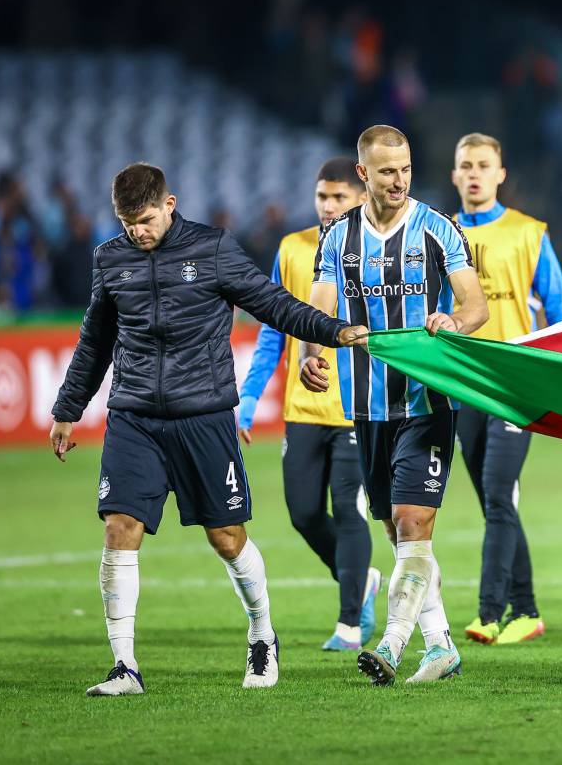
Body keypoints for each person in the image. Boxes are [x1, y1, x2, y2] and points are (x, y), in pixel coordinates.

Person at [49, 163, 365, 697]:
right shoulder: (111, 258)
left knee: (227, 538)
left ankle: (263, 634)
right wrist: (67, 407)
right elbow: (95, 339)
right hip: (134, 416)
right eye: (127, 223)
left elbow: (275, 305)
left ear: (169, 205)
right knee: (118, 528)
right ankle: (124, 666)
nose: (137, 232)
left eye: (145, 220)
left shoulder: (214, 249)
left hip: (203, 416)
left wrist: (333, 331)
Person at [301, 125, 489, 686]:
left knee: (413, 520)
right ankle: (442, 646)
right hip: (368, 406)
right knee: (395, 529)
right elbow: (320, 310)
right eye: (387, 171)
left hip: (428, 400)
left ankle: (391, 644)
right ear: (364, 175)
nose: (399, 180)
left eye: (406, 168)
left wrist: (452, 320)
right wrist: (316, 353)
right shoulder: (337, 238)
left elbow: (474, 304)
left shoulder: (437, 228)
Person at [238, 157, 379, 652]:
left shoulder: (379, 249)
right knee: (302, 513)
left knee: (348, 508)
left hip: (358, 405)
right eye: (322, 196)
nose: (328, 205)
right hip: (303, 408)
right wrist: (250, 398)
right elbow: (274, 328)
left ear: (361, 198)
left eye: (339, 197)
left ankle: (350, 622)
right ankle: (362, 581)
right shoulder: (293, 249)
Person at [450, 132, 562, 646]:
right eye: (465, 165)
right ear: (454, 175)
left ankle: (489, 612)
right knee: (496, 504)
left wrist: (558, 382)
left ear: (501, 175)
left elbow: (560, 312)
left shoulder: (529, 233)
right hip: (462, 387)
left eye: (484, 165)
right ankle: (527, 610)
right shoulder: (440, 234)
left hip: (512, 387)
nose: (474, 173)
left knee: (498, 494)